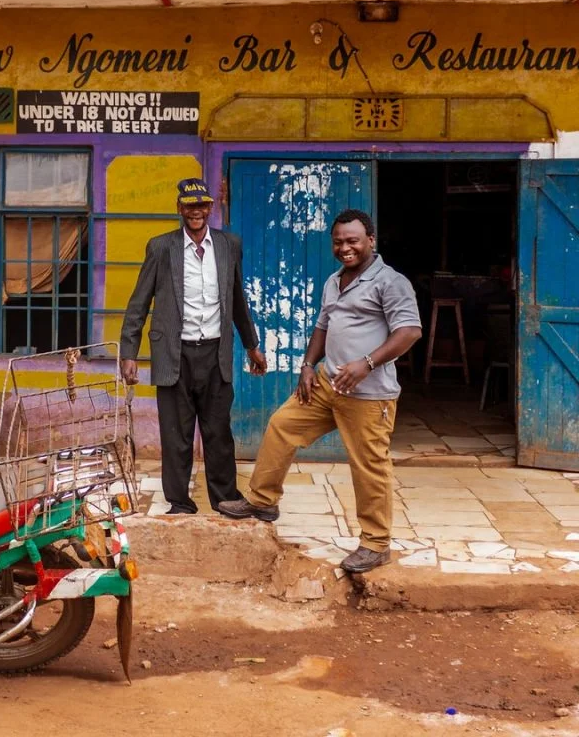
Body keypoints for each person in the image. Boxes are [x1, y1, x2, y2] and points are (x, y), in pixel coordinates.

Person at [218, 209, 422, 574]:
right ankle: (263, 501)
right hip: (329, 383)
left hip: (369, 394)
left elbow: (409, 331)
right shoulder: (334, 281)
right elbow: (322, 326)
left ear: (370, 241)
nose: (346, 248)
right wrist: (308, 365)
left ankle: (376, 543)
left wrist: (367, 363)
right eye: (339, 241)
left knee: (369, 466)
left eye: (353, 241)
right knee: (282, 425)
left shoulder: (391, 282)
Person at [120, 177, 267, 514]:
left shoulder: (229, 245)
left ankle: (225, 498)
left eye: (202, 205)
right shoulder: (161, 247)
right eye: (190, 206)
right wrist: (129, 352)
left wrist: (251, 344)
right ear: (180, 209)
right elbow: (138, 302)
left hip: (216, 352)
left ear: (210, 208)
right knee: (176, 435)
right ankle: (179, 503)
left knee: (218, 431)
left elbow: (237, 299)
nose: (196, 212)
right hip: (175, 355)